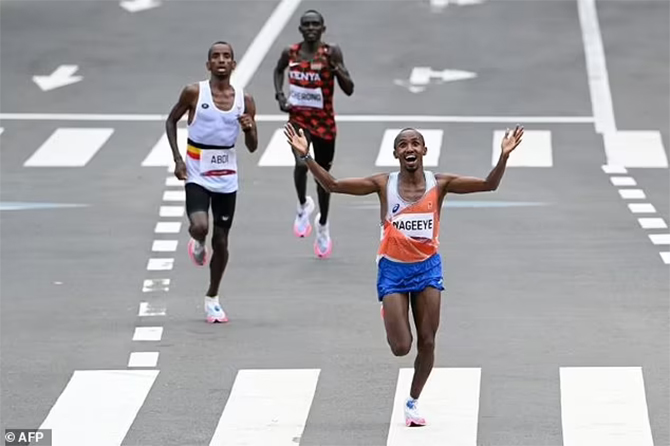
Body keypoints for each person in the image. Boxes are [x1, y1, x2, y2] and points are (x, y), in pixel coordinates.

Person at [283, 122, 524, 426]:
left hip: (427, 269)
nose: (409, 148)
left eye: (415, 144)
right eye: (403, 145)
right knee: (401, 347)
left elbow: (490, 184)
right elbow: (332, 185)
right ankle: (390, 311)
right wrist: (306, 158)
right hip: (393, 272)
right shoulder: (383, 184)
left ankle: (413, 401)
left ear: (424, 150)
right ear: (395, 153)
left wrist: (503, 157)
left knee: (428, 341)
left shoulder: (441, 183)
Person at [165, 41, 258, 323]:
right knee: (200, 226)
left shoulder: (245, 100)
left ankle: (212, 297)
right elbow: (171, 121)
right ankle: (197, 241)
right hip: (196, 171)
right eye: (215, 56)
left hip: (226, 178)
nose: (221, 60)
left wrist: (250, 129)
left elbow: (253, 146)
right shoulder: (195, 92)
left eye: (226, 56)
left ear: (233, 64)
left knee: (222, 240)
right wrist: (178, 159)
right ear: (208, 65)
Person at [273, 9, 354, 258]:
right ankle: (302, 206)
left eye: (315, 24)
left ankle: (323, 225)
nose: (310, 28)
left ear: (322, 29)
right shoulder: (291, 52)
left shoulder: (331, 52)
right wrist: (280, 95)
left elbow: (349, 88)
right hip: (299, 119)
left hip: (324, 124)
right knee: (300, 162)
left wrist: (337, 69)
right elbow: (278, 71)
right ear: (300, 29)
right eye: (306, 24)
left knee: (323, 179)